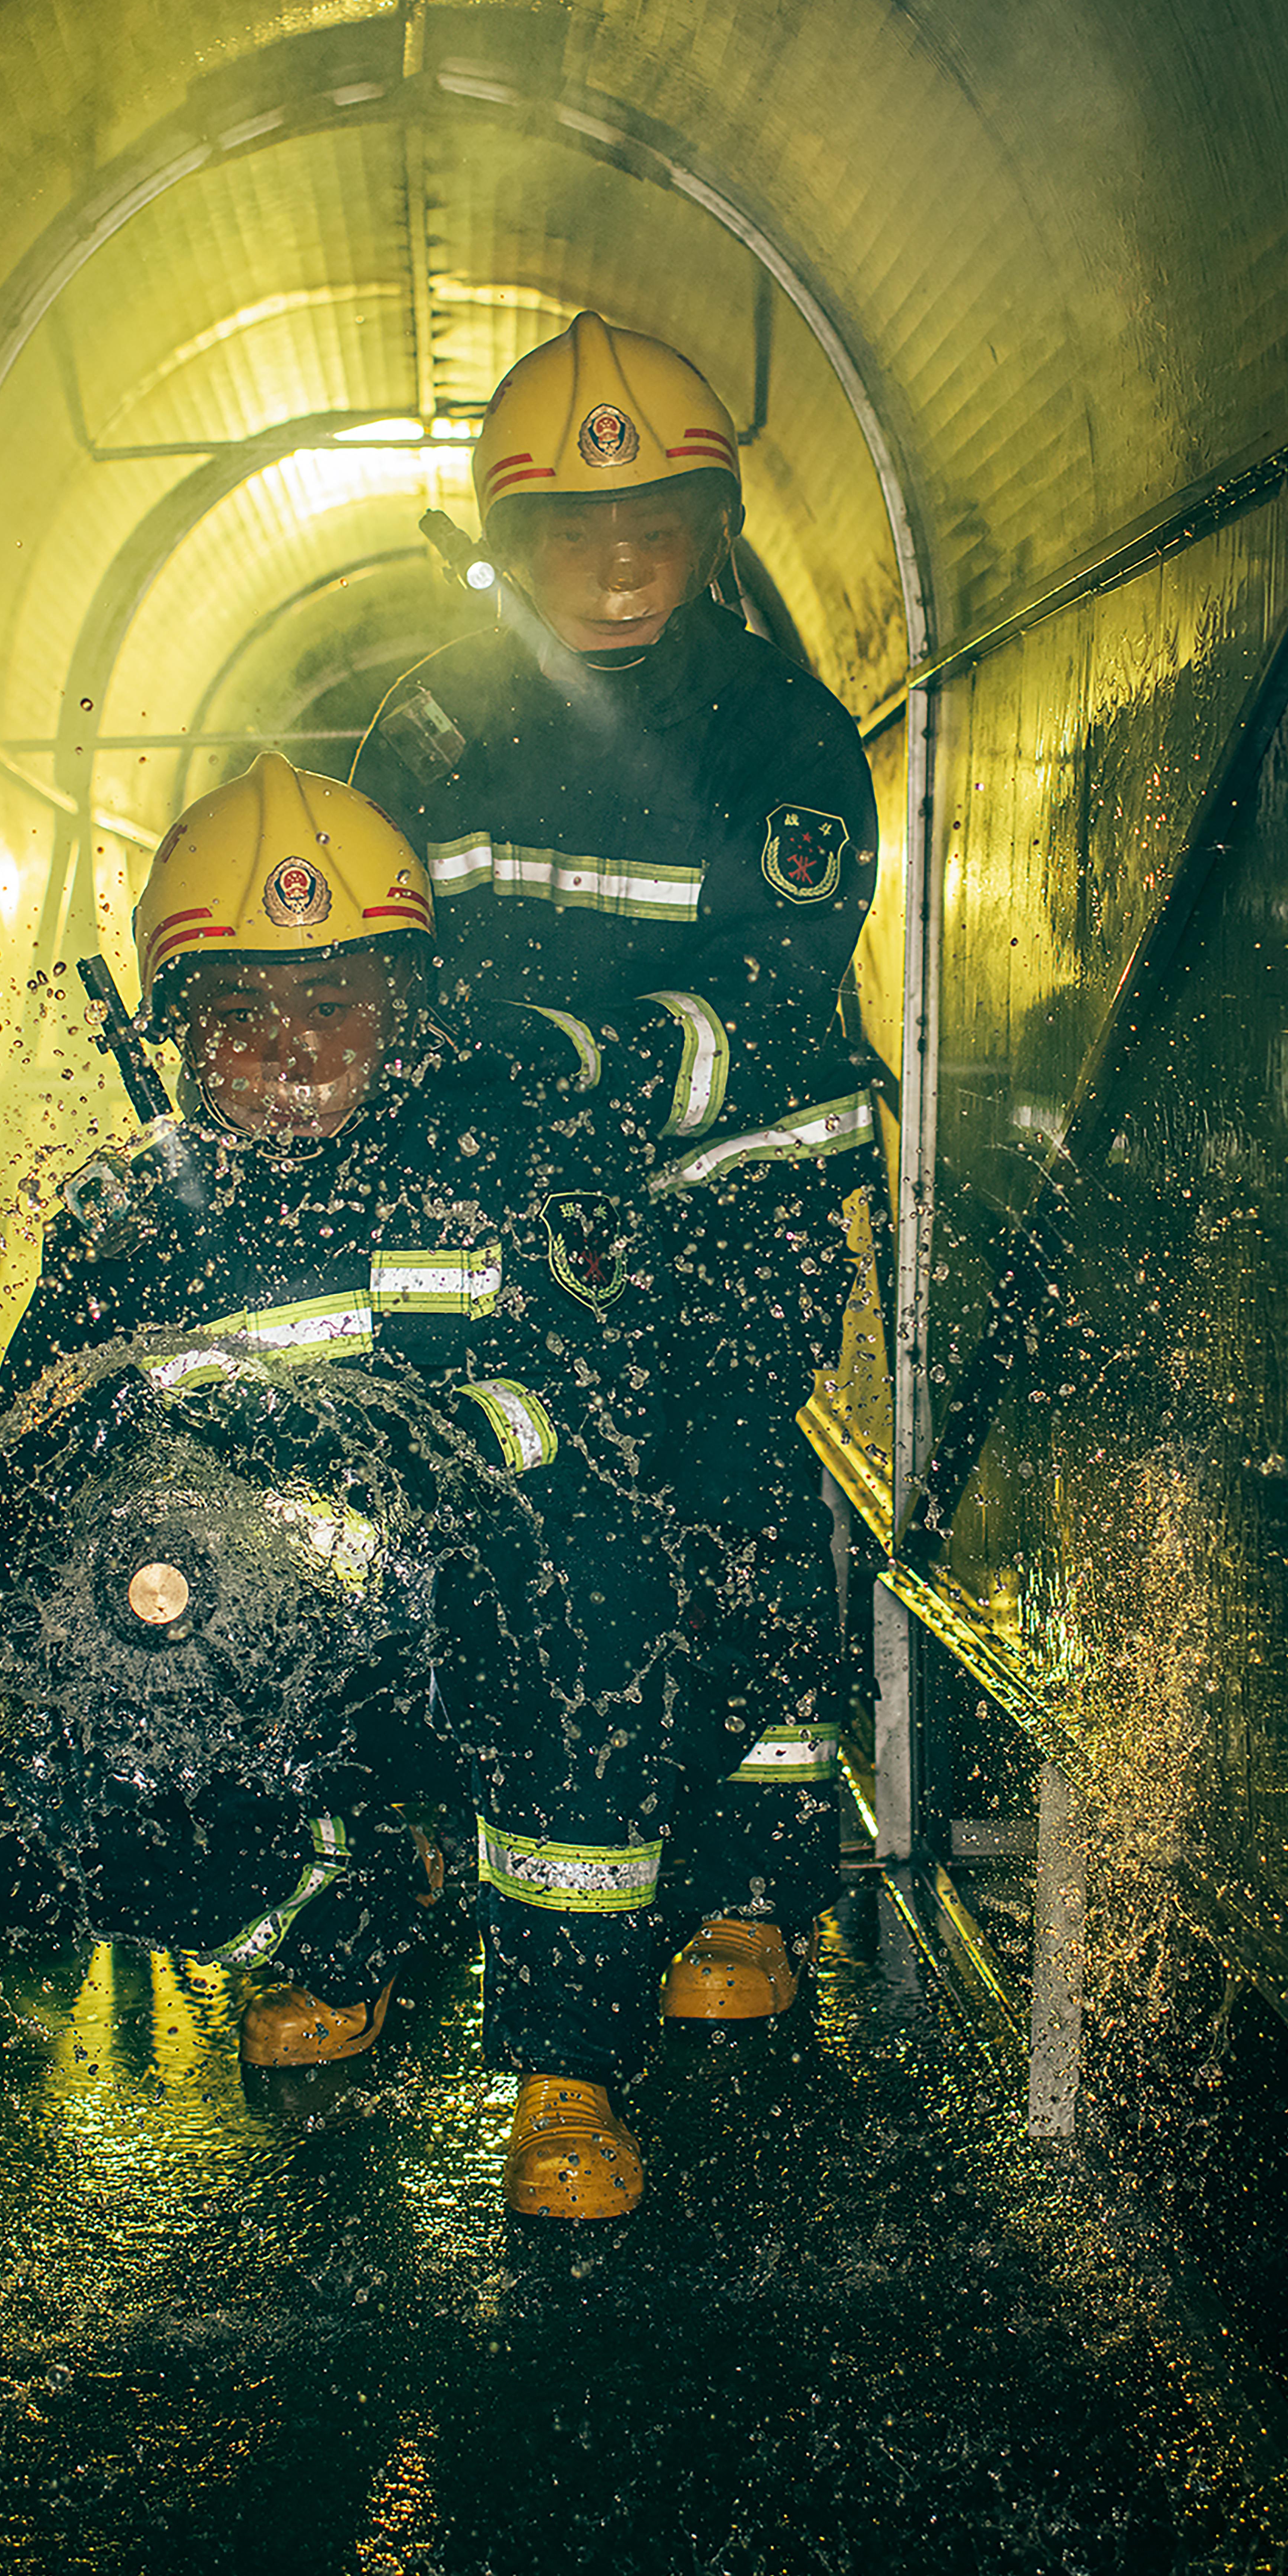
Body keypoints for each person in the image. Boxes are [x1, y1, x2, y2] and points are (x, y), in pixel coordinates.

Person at [0, 754, 738, 2220]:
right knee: (54, 1761)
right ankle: (343, 1909)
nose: (293, 1051)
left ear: (409, 1004)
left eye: (334, 1003)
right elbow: (19, 1469)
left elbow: (611, 1409)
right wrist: (152, 1528)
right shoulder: (129, 1217)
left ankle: (571, 2065)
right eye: (243, 1013)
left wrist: (425, 1460)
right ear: (174, 1025)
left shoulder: (502, 1172)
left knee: (612, 1581)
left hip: (477, 1606)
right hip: (260, 1627)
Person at [350, 312, 881, 2020]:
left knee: (733, 1502)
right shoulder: (430, 732)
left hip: (737, 1200)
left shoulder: (780, 736)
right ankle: (447, 1843)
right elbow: (373, 963)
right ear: (513, 546)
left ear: (718, 531)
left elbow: (779, 989)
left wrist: (586, 1071)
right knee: (493, 1517)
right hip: (513, 1223)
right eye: (580, 532)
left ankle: (752, 1895)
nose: (624, 561)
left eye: (659, 524)